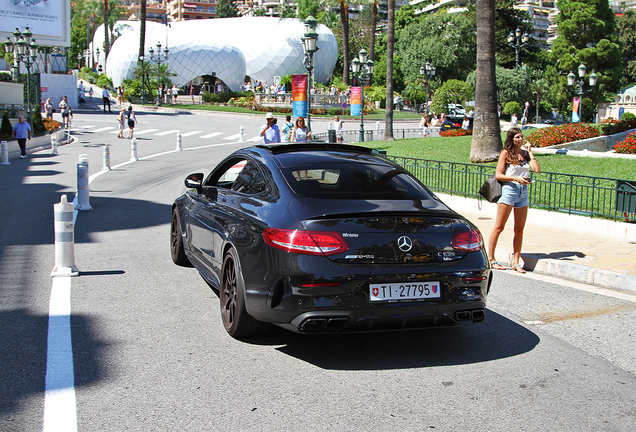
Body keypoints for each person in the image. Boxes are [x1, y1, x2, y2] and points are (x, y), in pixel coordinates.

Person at [487, 127, 540, 273]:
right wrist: (516, 178)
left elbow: (536, 170)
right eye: (517, 137)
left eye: (522, 137)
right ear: (511, 139)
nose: (521, 139)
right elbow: (498, 175)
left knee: (519, 229)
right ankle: (491, 259)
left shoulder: (525, 154)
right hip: (509, 190)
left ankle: (516, 262)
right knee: (499, 227)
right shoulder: (505, 153)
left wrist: (530, 152)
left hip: (523, 192)